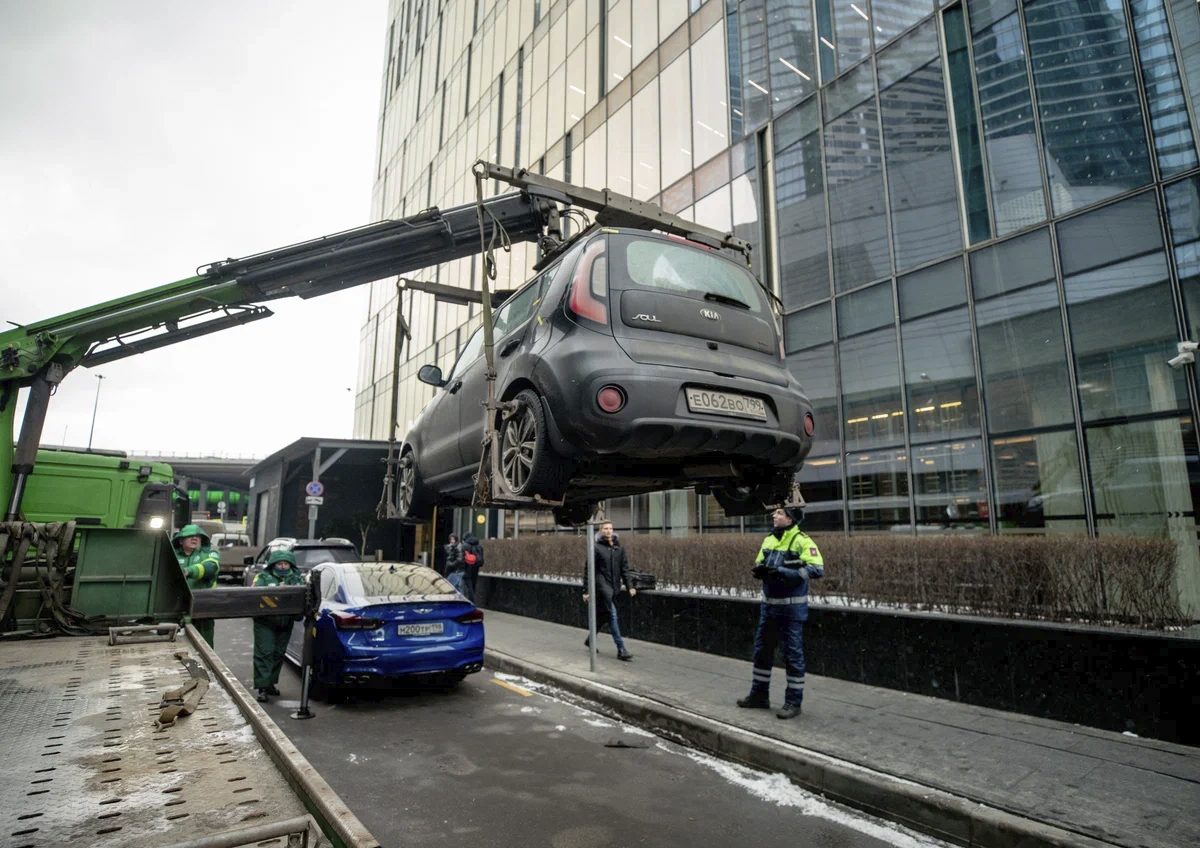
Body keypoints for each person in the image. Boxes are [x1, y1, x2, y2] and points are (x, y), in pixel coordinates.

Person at [737, 507, 823, 719]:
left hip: (791, 610)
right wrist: (759, 570)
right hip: (769, 608)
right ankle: (759, 696)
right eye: (774, 513)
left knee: (792, 655)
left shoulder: (802, 541)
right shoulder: (769, 540)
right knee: (762, 652)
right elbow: (759, 562)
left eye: (779, 513)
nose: (773, 516)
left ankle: (793, 702)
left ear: (790, 518)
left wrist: (785, 572)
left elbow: (816, 568)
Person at [251, 550, 305, 703]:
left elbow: (301, 598)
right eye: (279, 564)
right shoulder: (263, 577)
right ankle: (262, 687)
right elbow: (254, 596)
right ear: (273, 564)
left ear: (291, 564)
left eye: (285, 563)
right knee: (264, 652)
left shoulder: (296, 578)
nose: (282, 567)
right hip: (265, 622)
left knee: (278, 653)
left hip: (285, 622)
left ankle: (270, 684)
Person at [582, 520, 635, 661]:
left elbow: (625, 569)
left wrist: (630, 586)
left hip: (614, 588)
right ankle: (621, 649)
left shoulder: (618, 549)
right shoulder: (596, 548)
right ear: (600, 531)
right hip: (601, 588)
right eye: (605, 528)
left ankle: (590, 640)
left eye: (611, 528)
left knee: (602, 617)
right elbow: (589, 570)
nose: (608, 531)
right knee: (612, 616)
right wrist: (586, 590)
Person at [172, 524, 221, 647]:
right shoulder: (171, 554)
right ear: (180, 540)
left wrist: (188, 571)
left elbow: (211, 568)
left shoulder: (209, 553)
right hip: (175, 608)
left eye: (198, 536)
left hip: (203, 608)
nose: (194, 538)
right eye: (190, 536)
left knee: (204, 646)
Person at [460, 532, 484, 602]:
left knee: (467, 585)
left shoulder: (465, 545)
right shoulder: (479, 546)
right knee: (473, 584)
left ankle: (470, 600)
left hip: (467, 567)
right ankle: (472, 599)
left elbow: (463, 557)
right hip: (476, 567)